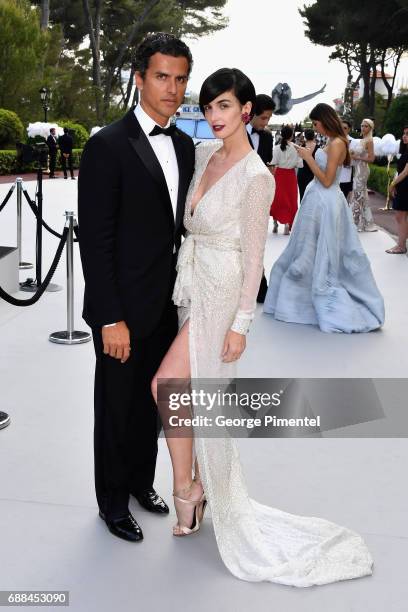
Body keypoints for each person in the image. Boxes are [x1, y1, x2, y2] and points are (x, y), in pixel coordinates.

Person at [151, 76, 374, 587]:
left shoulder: (256, 176)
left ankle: (187, 489)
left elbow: (255, 257)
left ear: (246, 109)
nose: (214, 115)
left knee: (167, 385)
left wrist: (242, 323)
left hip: (224, 292)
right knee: (190, 394)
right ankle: (196, 485)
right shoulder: (205, 155)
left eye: (224, 105)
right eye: (208, 106)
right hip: (193, 284)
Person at [77, 33, 195, 542]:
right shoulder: (106, 145)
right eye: (162, 76)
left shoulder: (186, 145)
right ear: (140, 78)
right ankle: (110, 502)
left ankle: (141, 483)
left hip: (167, 305)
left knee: (154, 402)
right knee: (115, 407)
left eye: (180, 78)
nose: (172, 88)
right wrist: (109, 317)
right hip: (122, 309)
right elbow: (95, 240)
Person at [264, 103, 384, 334]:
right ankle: (301, 298)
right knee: (307, 250)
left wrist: (308, 157)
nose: (315, 128)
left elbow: (328, 180)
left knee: (322, 252)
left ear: (325, 120)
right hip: (317, 199)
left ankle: (318, 298)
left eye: (317, 124)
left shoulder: (338, 142)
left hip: (326, 200)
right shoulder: (332, 141)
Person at [246, 93, 275, 302]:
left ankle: (260, 287)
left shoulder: (267, 137)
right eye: (264, 118)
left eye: (269, 119)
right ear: (252, 114)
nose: (266, 123)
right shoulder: (235, 132)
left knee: (255, 242)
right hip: (235, 196)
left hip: (257, 197)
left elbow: (267, 167)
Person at [270, 125, 302, 235]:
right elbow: (300, 164)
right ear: (292, 135)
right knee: (290, 199)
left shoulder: (277, 148)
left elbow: (274, 162)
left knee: (278, 198)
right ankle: (288, 223)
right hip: (290, 175)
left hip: (279, 174)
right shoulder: (296, 148)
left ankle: (275, 223)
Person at [349, 118, 377, 231]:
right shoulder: (363, 140)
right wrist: (352, 153)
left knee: (357, 195)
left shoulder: (369, 140)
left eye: (366, 126)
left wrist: (356, 157)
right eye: (362, 125)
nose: (363, 128)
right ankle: (367, 223)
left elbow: (372, 158)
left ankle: (354, 223)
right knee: (362, 196)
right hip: (358, 169)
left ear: (370, 128)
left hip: (363, 170)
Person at [386, 125, 408, 254]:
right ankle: (401, 245)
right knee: (401, 217)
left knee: (400, 216)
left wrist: (393, 184)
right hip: (403, 186)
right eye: (404, 133)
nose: (405, 136)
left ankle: (401, 246)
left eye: (407, 134)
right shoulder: (405, 150)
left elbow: (405, 172)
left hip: (405, 187)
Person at [296, 128, 318, 200]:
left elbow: (297, 159)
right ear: (314, 136)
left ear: (305, 136)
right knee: (312, 197)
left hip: (302, 173)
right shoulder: (318, 147)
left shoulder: (301, 147)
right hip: (313, 173)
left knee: (302, 196)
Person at [339, 118, 353, 200]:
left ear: (349, 129)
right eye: (341, 128)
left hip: (346, 174)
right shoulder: (334, 140)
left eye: (345, 128)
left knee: (343, 200)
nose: (342, 130)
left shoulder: (353, 141)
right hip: (334, 174)